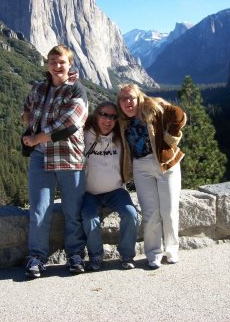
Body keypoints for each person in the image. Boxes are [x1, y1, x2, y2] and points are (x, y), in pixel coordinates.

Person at [21, 44, 88, 279]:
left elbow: (70, 125)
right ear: (47, 64)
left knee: (73, 210)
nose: (57, 66)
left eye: (62, 62)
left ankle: (75, 254)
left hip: (69, 156)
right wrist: (27, 121)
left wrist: (37, 136)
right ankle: (37, 257)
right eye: (53, 61)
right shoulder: (39, 87)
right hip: (41, 156)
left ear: (70, 65)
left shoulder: (76, 90)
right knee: (39, 209)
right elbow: (27, 108)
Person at [116, 84, 186, 269]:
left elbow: (179, 114)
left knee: (169, 211)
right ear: (119, 103)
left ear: (139, 97)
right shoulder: (122, 120)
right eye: (123, 99)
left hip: (165, 164)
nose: (127, 102)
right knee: (150, 212)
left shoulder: (154, 107)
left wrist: (171, 137)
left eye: (130, 97)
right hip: (141, 167)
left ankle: (172, 250)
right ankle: (153, 253)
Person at [81, 101, 139, 271]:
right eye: (104, 115)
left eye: (113, 117)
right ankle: (96, 256)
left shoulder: (121, 135)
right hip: (89, 192)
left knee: (131, 214)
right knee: (89, 218)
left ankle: (127, 255)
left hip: (116, 191)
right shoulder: (84, 134)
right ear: (96, 115)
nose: (108, 120)